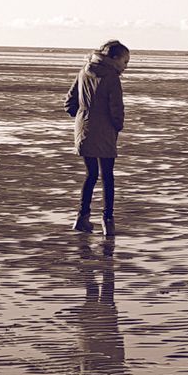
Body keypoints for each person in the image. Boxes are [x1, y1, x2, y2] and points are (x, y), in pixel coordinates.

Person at [65, 40, 129, 235]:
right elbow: (116, 108)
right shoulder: (112, 77)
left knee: (91, 174)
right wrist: (117, 126)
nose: (126, 66)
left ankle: (82, 217)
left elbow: (69, 103)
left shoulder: (84, 71)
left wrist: (84, 116)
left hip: (84, 128)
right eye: (125, 61)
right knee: (107, 176)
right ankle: (107, 221)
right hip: (105, 130)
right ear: (114, 58)